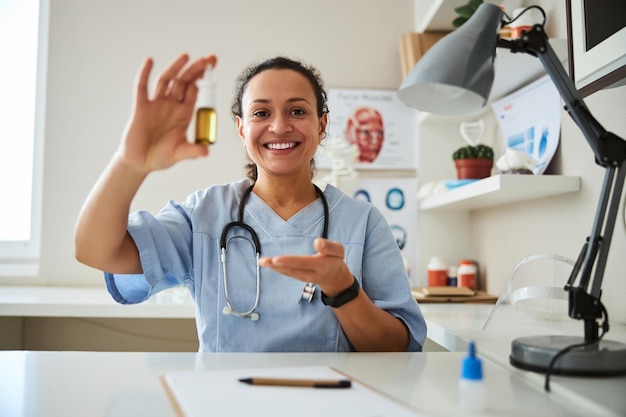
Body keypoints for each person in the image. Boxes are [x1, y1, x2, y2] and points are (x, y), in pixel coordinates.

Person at [74, 53, 426, 352]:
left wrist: (343, 290)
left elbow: (398, 347)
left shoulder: (362, 221)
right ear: (241, 129)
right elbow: (96, 251)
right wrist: (130, 163)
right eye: (261, 113)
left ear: (322, 126)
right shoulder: (204, 214)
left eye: (297, 112)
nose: (279, 126)